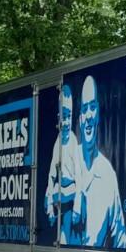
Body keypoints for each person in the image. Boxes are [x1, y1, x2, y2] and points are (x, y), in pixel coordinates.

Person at [70, 75, 126, 249]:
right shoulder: (68, 161)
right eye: (84, 109)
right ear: (80, 118)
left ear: (98, 115)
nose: (88, 115)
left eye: (92, 107)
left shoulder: (107, 174)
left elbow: (120, 236)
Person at [46, 85, 83, 243]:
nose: (66, 122)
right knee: (59, 230)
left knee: (65, 234)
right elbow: (51, 174)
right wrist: (49, 202)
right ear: (58, 118)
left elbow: (79, 176)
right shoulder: (58, 142)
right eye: (64, 117)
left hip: (70, 197)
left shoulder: (73, 141)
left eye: (69, 117)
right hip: (58, 196)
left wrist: (77, 206)